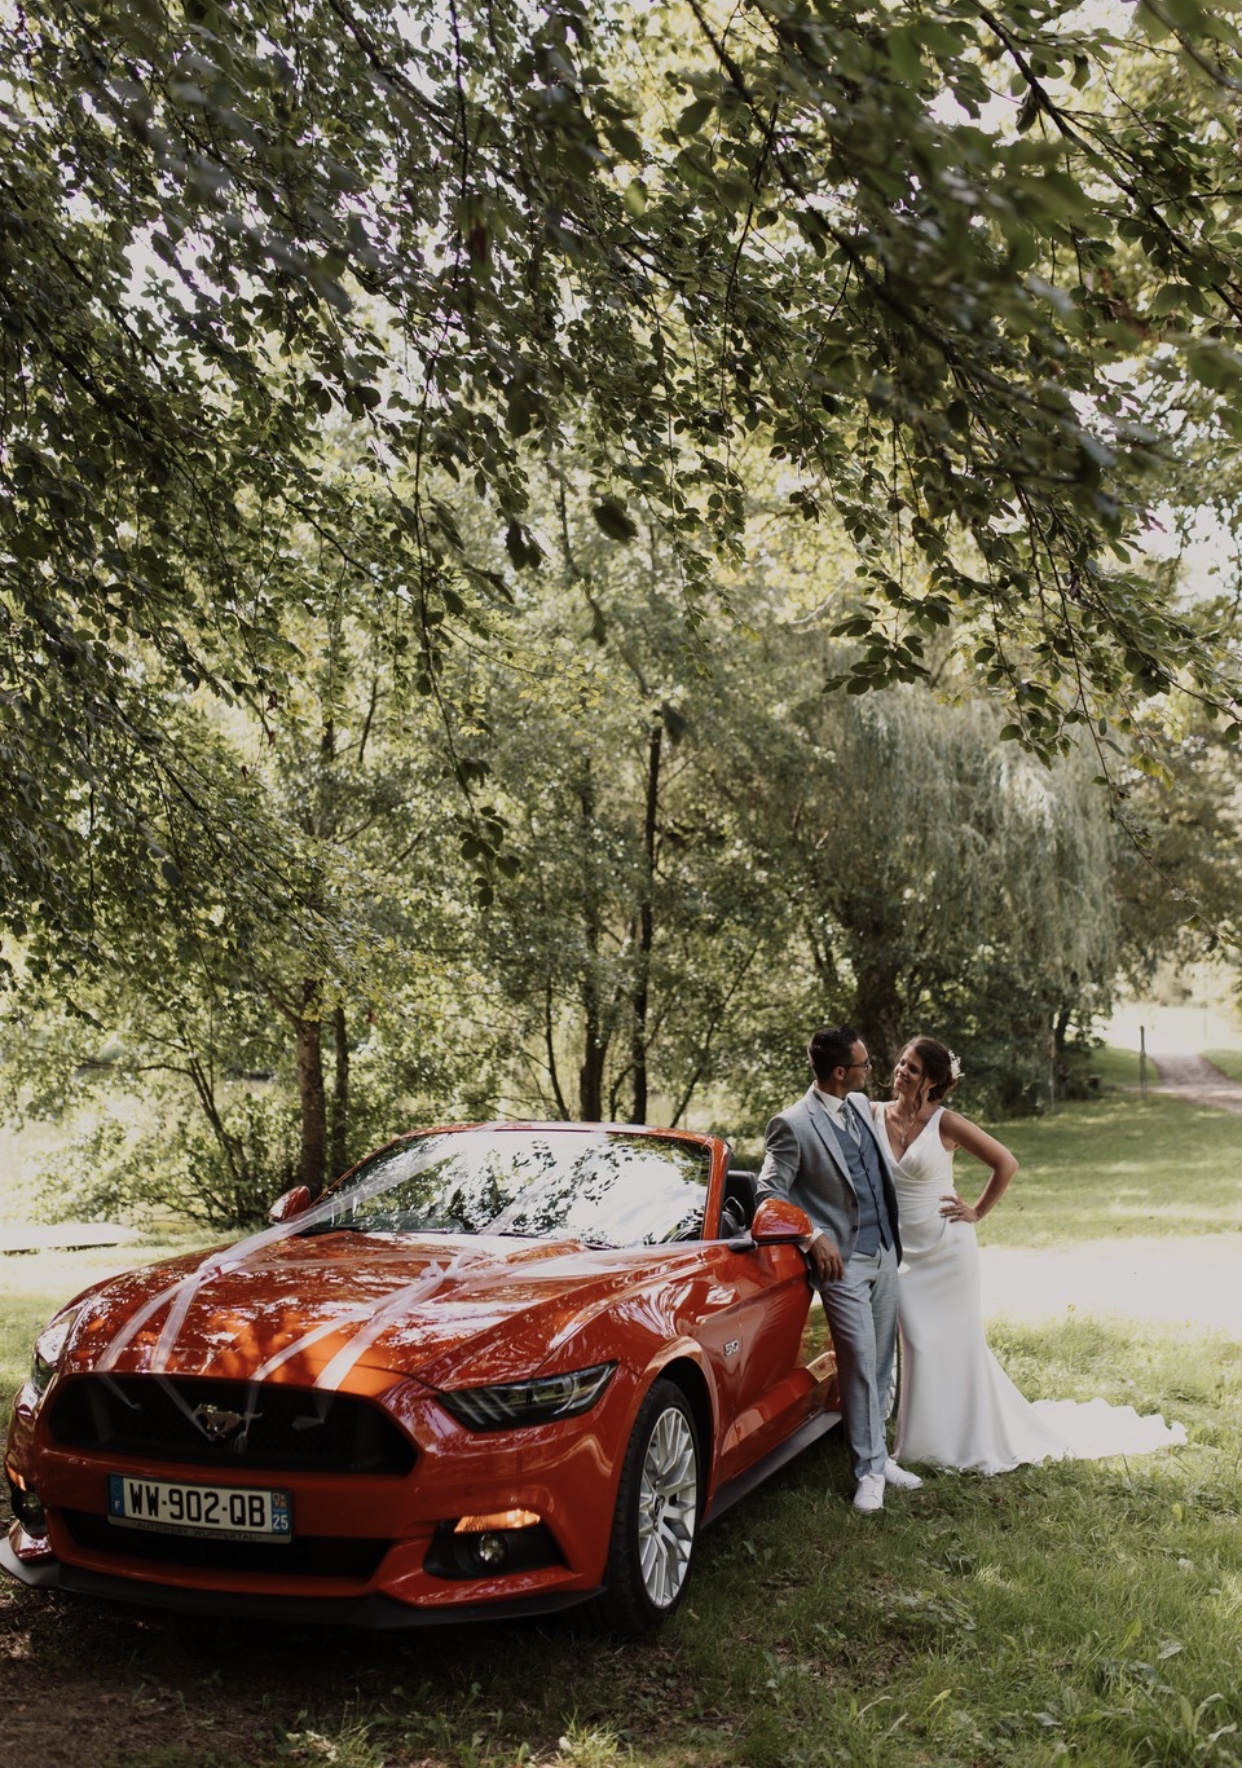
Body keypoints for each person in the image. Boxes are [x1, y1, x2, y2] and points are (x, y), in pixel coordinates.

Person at [875, 1036, 1187, 1473]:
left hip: (947, 1249)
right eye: (902, 1062)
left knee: (954, 1343)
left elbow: (1006, 1163)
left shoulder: (946, 1123)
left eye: (912, 1068)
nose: (901, 1071)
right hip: (903, 1252)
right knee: (918, 1341)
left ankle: (947, 1441)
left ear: (931, 1082)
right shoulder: (873, 1114)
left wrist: (977, 1211)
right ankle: (922, 1439)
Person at [758, 1024, 924, 1512]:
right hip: (843, 1265)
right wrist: (811, 1235)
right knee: (858, 1362)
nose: (869, 1070)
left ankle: (880, 1457)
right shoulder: (793, 1124)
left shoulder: (857, 1104)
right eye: (863, 1065)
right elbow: (769, 1193)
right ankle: (868, 1472)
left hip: (885, 1251)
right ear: (838, 1072)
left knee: (881, 1361)